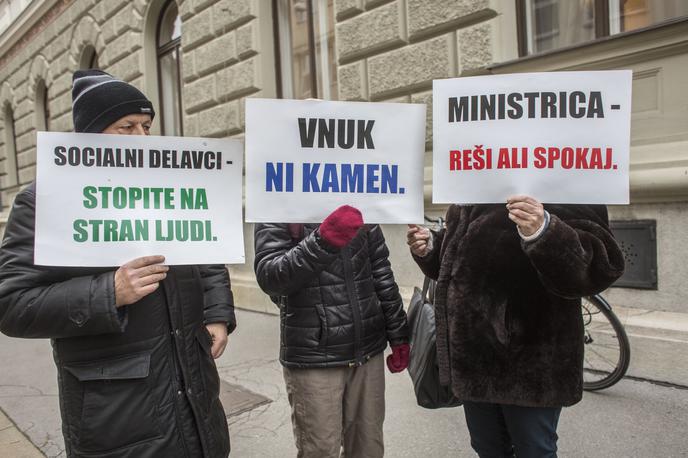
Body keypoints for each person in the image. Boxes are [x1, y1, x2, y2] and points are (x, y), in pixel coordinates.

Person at [0, 70, 235, 458]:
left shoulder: (171, 185)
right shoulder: (44, 200)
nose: (141, 138)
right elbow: (12, 304)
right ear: (90, 134)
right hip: (116, 410)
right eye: (126, 127)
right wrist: (108, 292)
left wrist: (217, 314)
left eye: (146, 126)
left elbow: (206, 253)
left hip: (193, 391)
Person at [407, 195, 624, 458]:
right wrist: (430, 248)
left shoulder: (565, 182)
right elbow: (456, 264)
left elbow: (599, 267)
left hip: (530, 362)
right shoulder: (472, 186)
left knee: (534, 451)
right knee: (488, 448)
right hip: (474, 359)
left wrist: (544, 231)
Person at [254, 205, 409, 458]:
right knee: (320, 450)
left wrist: (398, 332)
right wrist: (322, 240)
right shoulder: (279, 198)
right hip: (315, 355)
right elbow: (270, 276)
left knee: (368, 448)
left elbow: (380, 269)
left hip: (367, 351)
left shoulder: (360, 194)